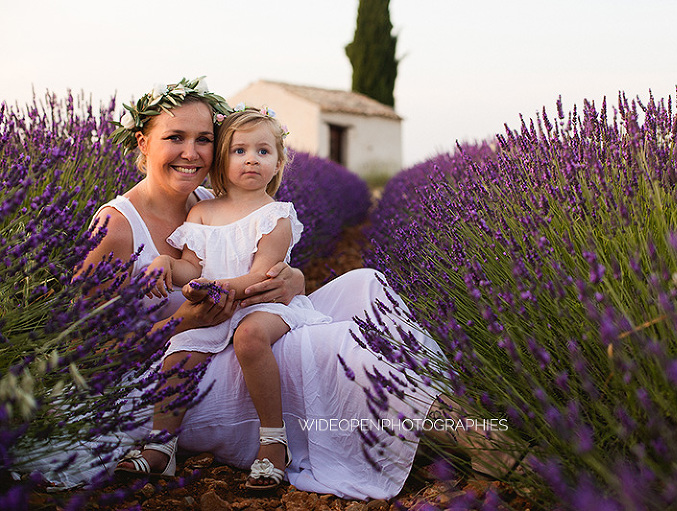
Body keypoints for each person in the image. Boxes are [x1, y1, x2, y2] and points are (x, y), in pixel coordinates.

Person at [40, 77, 444, 500]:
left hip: (233, 332)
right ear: (143, 142)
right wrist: (181, 322)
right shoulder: (116, 227)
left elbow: (251, 258)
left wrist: (293, 279)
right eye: (174, 137)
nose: (191, 152)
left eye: (204, 139)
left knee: (364, 285)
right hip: (169, 377)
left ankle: (432, 408)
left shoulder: (206, 201)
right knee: (332, 347)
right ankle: (459, 435)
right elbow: (86, 349)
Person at [116, 106, 331, 489]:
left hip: (263, 306)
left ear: (279, 162)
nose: (251, 159)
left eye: (263, 152)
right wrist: (165, 263)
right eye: (239, 151)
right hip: (215, 308)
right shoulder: (202, 210)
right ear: (222, 161)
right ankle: (162, 446)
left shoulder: (275, 215)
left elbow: (261, 276)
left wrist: (213, 290)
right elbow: (191, 268)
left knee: (249, 338)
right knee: (179, 351)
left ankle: (272, 442)